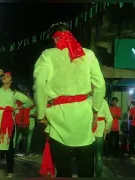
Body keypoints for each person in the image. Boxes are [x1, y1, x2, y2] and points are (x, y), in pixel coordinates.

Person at [33, 22, 106, 178]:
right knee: (86, 171)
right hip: (83, 116)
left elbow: (39, 84)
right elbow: (100, 84)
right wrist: (95, 111)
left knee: (63, 171)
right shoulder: (88, 54)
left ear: (54, 38)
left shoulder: (48, 55)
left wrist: (41, 115)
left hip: (57, 118)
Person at [89, 96, 113, 177]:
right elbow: (109, 118)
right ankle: (98, 176)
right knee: (98, 155)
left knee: (88, 156)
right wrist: (107, 128)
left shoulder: (85, 100)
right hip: (100, 129)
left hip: (88, 128)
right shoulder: (103, 101)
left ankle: (89, 175)